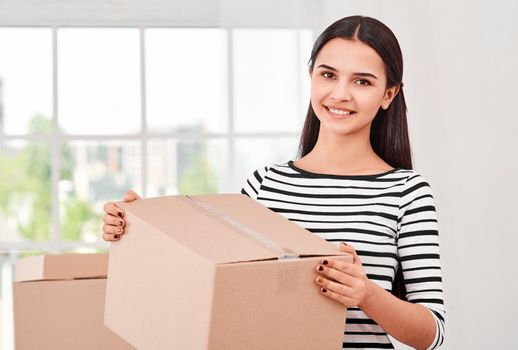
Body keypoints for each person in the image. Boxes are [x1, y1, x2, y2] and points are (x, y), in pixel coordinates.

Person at [102, 15, 445, 350]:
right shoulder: (264, 184)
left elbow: (432, 333)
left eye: (362, 82)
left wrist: (366, 294)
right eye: (328, 75)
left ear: (388, 94)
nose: (340, 94)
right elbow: (208, 282)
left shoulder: (407, 192)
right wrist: (136, 230)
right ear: (311, 76)